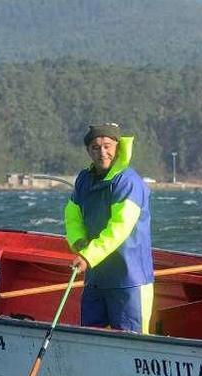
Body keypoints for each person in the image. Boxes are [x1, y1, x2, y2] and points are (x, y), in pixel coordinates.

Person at [64, 123, 155, 334]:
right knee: (91, 339)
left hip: (129, 280)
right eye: (95, 147)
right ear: (88, 151)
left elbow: (119, 228)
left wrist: (88, 257)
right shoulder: (84, 179)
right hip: (96, 279)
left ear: (118, 147)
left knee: (131, 343)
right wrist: (78, 242)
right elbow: (72, 213)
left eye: (107, 146)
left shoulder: (128, 181)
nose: (102, 152)